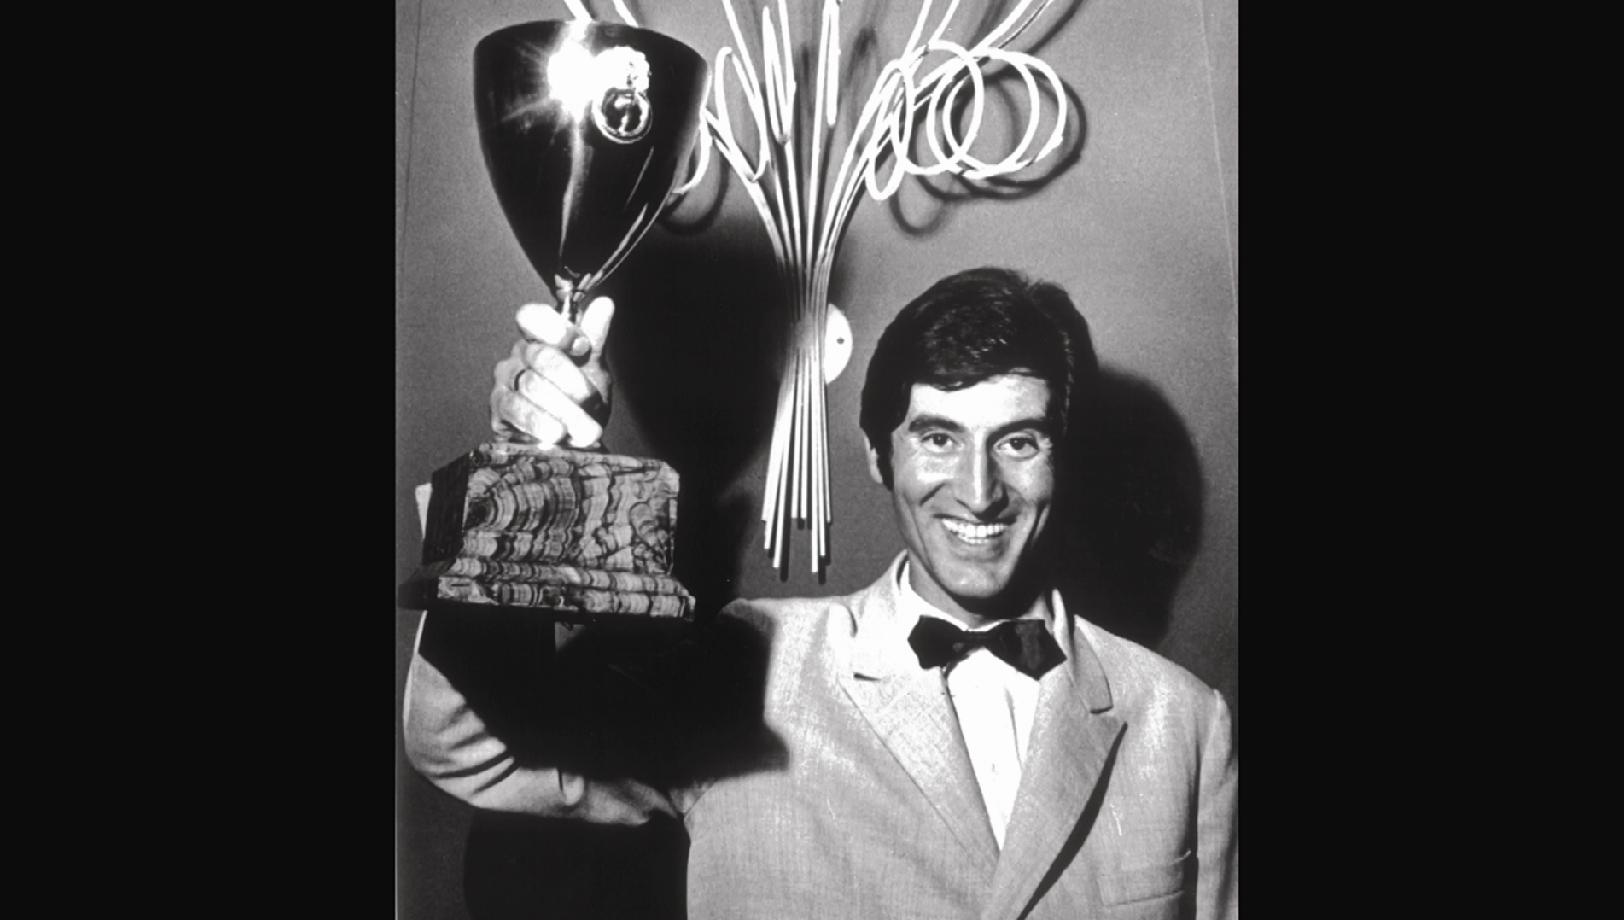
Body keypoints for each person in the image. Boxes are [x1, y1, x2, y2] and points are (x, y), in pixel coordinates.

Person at [404, 267, 1238, 919]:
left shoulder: (1187, 724)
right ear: (878, 456)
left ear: (1064, 457)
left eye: (1018, 442)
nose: (979, 491)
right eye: (938, 438)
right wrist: (528, 471)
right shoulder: (749, 664)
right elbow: (473, 749)